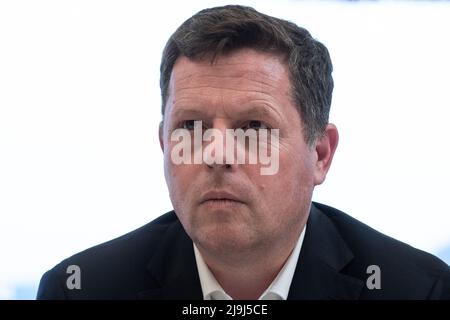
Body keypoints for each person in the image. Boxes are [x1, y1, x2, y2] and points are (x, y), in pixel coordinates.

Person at [37, 5, 450, 300]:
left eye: (253, 128)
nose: (217, 154)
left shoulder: (418, 289)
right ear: (164, 146)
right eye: (189, 127)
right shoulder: (80, 289)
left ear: (320, 154)